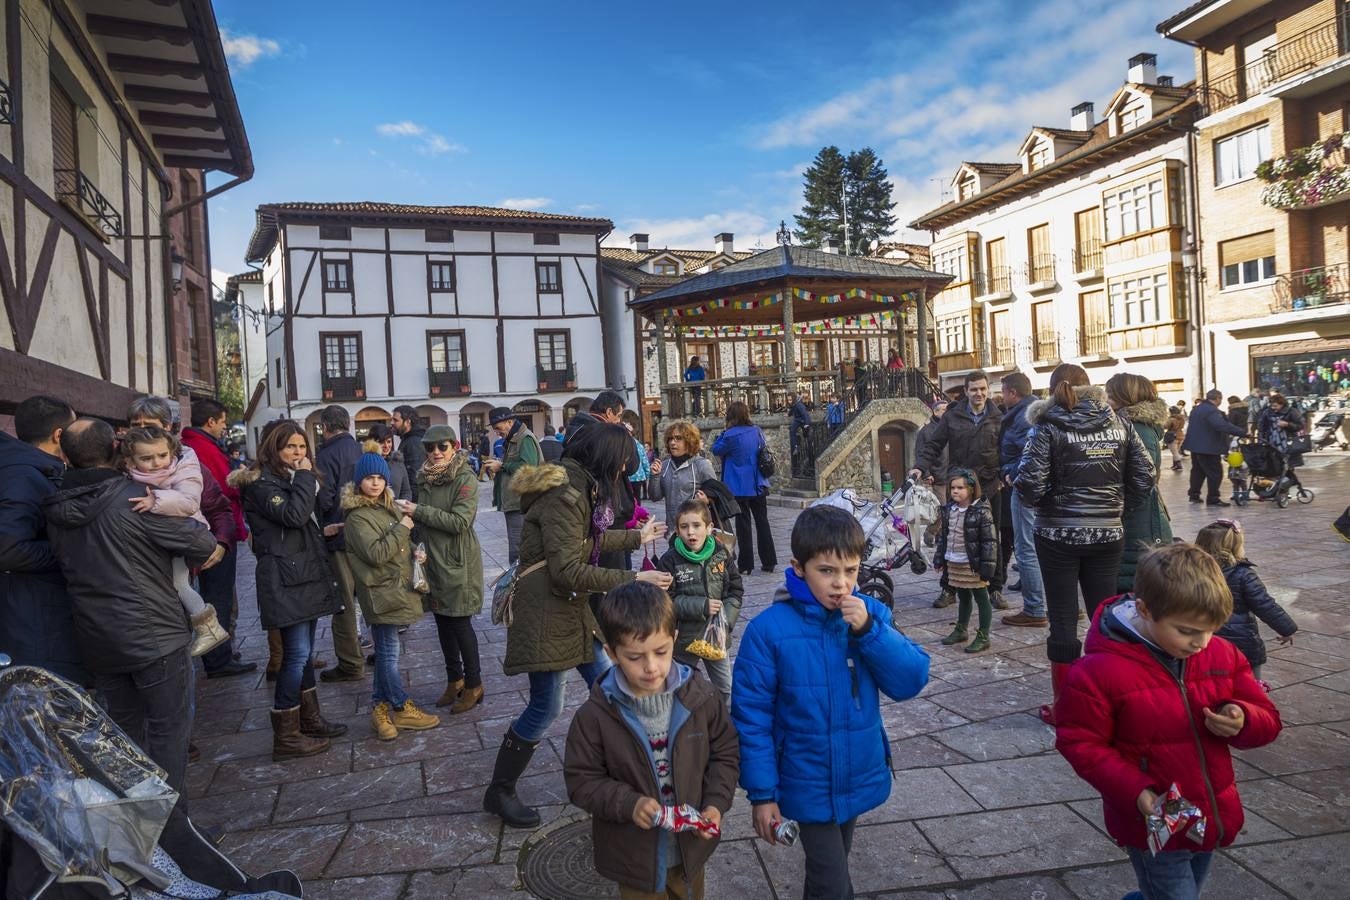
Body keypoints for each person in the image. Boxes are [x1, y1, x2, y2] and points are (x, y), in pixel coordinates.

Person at [1055, 543, 1282, 900]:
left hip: (1208, 812)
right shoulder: (1098, 672)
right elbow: (1080, 743)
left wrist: (1243, 718)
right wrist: (1136, 791)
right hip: (1151, 816)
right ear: (1145, 610)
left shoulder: (1221, 653)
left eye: (1211, 630)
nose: (1201, 643)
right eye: (1187, 631)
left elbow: (1267, 717)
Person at [732, 505, 930, 899]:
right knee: (834, 884)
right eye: (827, 571)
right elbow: (750, 718)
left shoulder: (870, 614)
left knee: (828, 874)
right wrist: (762, 794)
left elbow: (910, 680)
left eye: (851, 571)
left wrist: (871, 632)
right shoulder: (768, 631)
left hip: (856, 771)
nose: (841, 584)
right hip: (805, 779)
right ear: (800, 567)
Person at [485, 422, 671, 829]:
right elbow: (568, 568)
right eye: (623, 462)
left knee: (609, 685)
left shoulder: (578, 484)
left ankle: (625, 771)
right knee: (546, 705)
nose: (625, 470)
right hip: (547, 610)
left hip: (569, 608)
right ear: (606, 459)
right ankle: (500, 790)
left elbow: (587, 543)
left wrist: (637, 538)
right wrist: (634, 578)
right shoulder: (566, 494)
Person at [44, 418, 217, 795]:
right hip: (154, 633)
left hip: (97, 637)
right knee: (168, 732)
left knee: (125, 733)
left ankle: (139, 825)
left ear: (65, 455)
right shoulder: (134, 501)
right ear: (116, 452)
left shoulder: (54, 507)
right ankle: (173, 833)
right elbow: (202, 544)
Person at [564, 582, 739, 900]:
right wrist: (628, 803)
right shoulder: (595, 717)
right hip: (634, 860)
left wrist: (715, 804)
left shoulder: (701, 698)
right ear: (612, 654)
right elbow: (581, 781)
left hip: (691, 851)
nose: (651, 667)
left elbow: (724, 753)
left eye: (661, 652)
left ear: (674, 640)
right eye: (634, 657)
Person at [1015, 363, 1153, 726]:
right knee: (1103, 615)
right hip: (1107, 532)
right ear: (1090, 387)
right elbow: (1145, 475)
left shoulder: (1047, 427)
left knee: (1062, 619)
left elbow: (1029, 483)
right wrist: (1115, 508)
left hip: (1057, 533)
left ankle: (1065, 707)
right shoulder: (1119, 423)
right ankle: (1111, 700)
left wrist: (1048, 501)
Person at [231, 421, 347, 760]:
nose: (298, 453)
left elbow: (309, 516)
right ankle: (287, 736)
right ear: (274, 449)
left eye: (302, 447)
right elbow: (294, 516)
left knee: (305, 653)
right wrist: (305, 478)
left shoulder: (286, 479)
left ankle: (309, 720)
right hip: (284, 578)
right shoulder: (262, 484)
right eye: (290, 447)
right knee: (295, 656)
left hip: (303, 574)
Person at [342, 447, 440, 740]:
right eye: (369, 478)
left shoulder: (385, 509)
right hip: (380, 592)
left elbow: (396, 545)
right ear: (359, 481)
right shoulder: (358, 517)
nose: (375, 483)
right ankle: (399, 705)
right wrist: (403, 527)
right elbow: (377, 553)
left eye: (380, 478)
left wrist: (414, 551)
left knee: (388, 651)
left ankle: (379, 708)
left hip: (394, 589)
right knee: (388, 653)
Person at [398, 424, 485, 713]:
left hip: (458, 560)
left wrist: (417, 511)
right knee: (442, 623)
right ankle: (455, 680)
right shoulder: (424, 477)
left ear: (454, 446)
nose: (436, 453)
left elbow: (460, 522)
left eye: (442, 447)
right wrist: (415, 544)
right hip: (432, 560)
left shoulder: (465, 477)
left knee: (460, 623)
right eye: (430, 448)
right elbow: (421, 521)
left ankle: (474, 684)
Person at [0, 395, 87, 684]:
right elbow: (10, 549)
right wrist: (69, 549)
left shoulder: (32, 468)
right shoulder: (24, 475)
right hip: (33, 620)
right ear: (59, 435)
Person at [121, 426, 230, 657]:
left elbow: (190, 501)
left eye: (162, 456)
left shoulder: (184, 466)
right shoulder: (131, 475)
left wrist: (156, 500)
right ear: (131, 461)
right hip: (164, 539)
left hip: (185, 535)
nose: (157, 463)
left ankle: (209, 627)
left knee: (179, 585)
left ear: (172, 452)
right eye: (147, 458)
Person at [910, 370, 1006, 610]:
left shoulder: (998, 416)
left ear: (988, 389)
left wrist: (1004, 474)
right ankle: (949, 588)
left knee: (992, 539)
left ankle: (995, 588)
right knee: (953, 537)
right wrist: (920, 467)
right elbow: (934, 444)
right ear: (966, 391)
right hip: (959, 485)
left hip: (989, 486)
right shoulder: (952, 416)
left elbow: (1006, 449)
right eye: (974, 389)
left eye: (982, 388)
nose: (979, 393)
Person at [180, 397, 256, 679]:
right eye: (223, 421)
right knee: (218, 595)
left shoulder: (196, 445)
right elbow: (226, 487)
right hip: (215, 533)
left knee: (218, 594)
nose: (225, 427)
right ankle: (218, 657)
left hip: (211, 530)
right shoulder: (202, 448)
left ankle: (221, 650)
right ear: (210, 422)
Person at [658, 498, 744, 700]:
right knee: (680, 689)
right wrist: (702, 606)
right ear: (677, 530)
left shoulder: (721, 554)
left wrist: (726, 623)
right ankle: (684, 726)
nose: (691, 532)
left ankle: (723, 725)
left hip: (716, 637)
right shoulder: (670, 560)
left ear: (709, 527)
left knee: (725, 689)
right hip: (685, 639)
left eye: (697, 526)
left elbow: (735, 589)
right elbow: (664, 600)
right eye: (684, 527)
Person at [1195, 520, 1297, 680]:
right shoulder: (1243, 575)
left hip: (1203, 641)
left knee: (1210, 685)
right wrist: (1286, 629)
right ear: (1236, 546)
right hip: (1242, 644)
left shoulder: (1190, 572)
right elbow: (1265, 605)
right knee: (1249, 686)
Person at [1106, 374, 1174, 594]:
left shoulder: (1137, 428)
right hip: (1139, 516)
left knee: (1133, 584)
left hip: (1141, 521)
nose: (1106, 398)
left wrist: (1119, 507)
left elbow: (1143, 479)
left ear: (1124, 395)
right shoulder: (1128, 424)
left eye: (1110, 392)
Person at [313, 405, 366, 682]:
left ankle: (350, 663)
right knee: (367, 596)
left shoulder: (325, 454)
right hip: (364, 532)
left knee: (343, 601)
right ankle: (378, 652)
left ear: (326, 426)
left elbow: (324, 496)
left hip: (338, 534)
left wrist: (322, 525)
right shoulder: (359, 450)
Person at [997, 373, 1044, 627]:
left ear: (1012, 393)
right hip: (1031, 488)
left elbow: (1030, 454)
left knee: (1026, 548)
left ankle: (1035, 608)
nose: (1002, 397)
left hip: (1025, 490)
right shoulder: (1028, 412)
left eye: (1003, 392)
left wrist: (1009, 473)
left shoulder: (1024, 417)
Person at [934, 469, 998, 654]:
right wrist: (939, 559)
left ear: (971, 489)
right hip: (955, 561)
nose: (955, 491)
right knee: (962, 596)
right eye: (953, 487)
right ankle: (961, 629)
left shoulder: (981, 511)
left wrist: (987, 567)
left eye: (960, 487)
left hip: (973, 563)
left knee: (981, 597)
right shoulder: (949, 510)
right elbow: (944, 537)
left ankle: (983, 635)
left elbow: (989, 542)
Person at [712, 401, 776, 576]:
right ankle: (769, 561)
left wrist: (722, 433)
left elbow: (716, 449)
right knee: (763, 523)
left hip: (739, 487)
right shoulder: (756, 431)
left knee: (743, 525)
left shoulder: (729, 435)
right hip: (758, 484)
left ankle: (746, 564)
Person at [482, 406, 541, 566]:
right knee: (518, 549)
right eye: (494, 429)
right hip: (517, 503)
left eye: (498, 428)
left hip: (521, 504)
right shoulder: (515, 438)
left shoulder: (524, 438)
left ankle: (518, 586)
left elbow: (529, 469)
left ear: (509, 422)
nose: (496, 433)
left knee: (518, 551)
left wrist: (501, 466)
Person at [1182, 390, 1247, 507]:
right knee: (1215, 473)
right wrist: (1242, 432)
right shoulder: (1212, 411)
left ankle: (1194, 495)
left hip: (1195, 446)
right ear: (1218, 398)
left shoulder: (1197, 409)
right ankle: (1213, 498)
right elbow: (1220, 425)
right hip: (1208, 447)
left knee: (1197, 471)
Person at [647, 421, 716, 526]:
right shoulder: (665, 465)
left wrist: (707, 499)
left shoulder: (702, 465)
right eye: (670, 438)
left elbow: (716, 493)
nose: (672, 443)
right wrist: (655, 476)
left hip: (696, 531)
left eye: (678, 438)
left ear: (689, 441)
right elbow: (655, 496)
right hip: (672, 530)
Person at [914, 400, 949, 547]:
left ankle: (942, 536)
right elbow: (921, 452)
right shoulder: (926, 431)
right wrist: (926, 472)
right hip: (937, 475)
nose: (946, 412)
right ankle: (931, 532)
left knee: (949, 509)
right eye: (943, 410)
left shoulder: (950, 427)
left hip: (951, 474)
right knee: (942, 508)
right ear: (935, 412)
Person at [1255, 391, 1306, 475]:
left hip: (1288, 443)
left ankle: (1286, 482)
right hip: (1271, 444)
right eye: (1271, 406)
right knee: (1274, 466)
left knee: (1288, 467)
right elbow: (1261, 427)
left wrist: (1288, 424)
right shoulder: (1267, 412)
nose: (1273, 408)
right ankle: (1278, 484)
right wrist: (1261, 441)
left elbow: (1300, 425)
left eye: (1275, 406)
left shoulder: (1291, 411)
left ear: (1282, 404)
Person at [365, 424, 410, 501]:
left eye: (389, 441)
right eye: (381, 442)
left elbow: (406, 491)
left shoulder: (398, 463)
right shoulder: (365, 464)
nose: (386, 446)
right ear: (372, 443)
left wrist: (401, 508)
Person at [390, 405, 427, 500]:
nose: (392, 423)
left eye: (395, 420)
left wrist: (410, 505)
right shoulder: (408, 440)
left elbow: (415, 477)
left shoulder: (414, 442)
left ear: (407, 422)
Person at [787, 391, 810, 465]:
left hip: (802, 420)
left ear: (793, 399)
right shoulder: (794, 404)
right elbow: (792, 410)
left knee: (806, 434)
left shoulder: (799, 405)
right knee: (792, 430)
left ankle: (807, 447)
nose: (789, 401)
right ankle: (796, 446)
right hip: (797, 420)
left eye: (790, 400)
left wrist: (806, 423)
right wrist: (788, 414)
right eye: (788, 400)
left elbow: (805, 414)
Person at [1165, 405, 1187, 471]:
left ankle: (1179, 465)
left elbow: (1165, 426)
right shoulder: (1182, 418)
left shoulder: (1172, 419)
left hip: (1172, 436)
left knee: (1175, 452)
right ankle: (1175, 465)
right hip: (1180, 435)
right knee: (1176, 451)